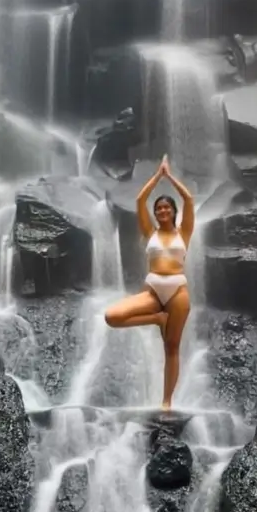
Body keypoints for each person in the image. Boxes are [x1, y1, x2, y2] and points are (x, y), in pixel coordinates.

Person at [104, 155, 194, 410]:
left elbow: (188, 199)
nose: (162, 210)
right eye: (159, 209)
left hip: (178, 290)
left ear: (174, 212)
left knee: (172, 347)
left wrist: (171, 178)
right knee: (112, 316)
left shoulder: (183, 233)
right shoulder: (150, 233)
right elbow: (139, 200)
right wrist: (157, 176)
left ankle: (167, 401)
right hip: (153, 289)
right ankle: (157, 318)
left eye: (167, 207)